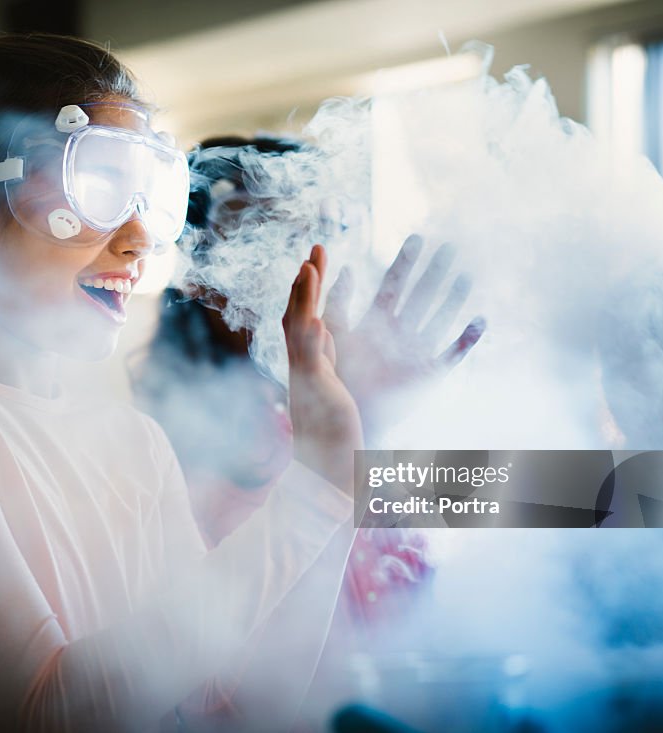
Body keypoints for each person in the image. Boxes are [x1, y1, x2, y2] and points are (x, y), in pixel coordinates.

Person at [0, 35, 364, 733]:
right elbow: (39, 713)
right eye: (95, 186)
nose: (136, 241)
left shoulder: (133, 440)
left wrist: (332, 470)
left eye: (143, 197)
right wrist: (308, 496)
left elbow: (239, 710)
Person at [132, 136, 485, 722]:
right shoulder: (159, 449)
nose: (310, 266)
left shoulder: (350, 406)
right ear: (198, 275)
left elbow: (556, 504)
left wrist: (368, 418)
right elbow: (231, 665)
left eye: (325, 231)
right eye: (271, 240)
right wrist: (348, 428)